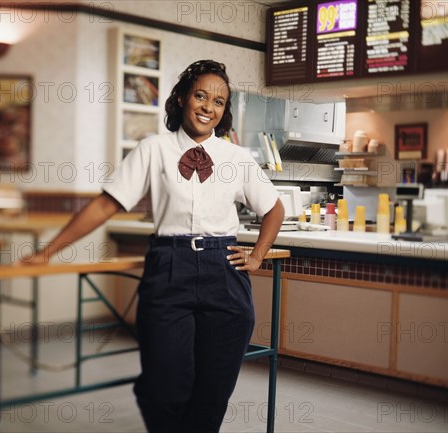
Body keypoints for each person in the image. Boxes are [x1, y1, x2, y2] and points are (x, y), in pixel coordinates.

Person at [23, 59, 284, 432]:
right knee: (164, 387)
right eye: (200, 96)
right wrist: (47, 252)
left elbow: (274, 208)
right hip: (169, 267)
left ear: (224, 111)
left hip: (224, 273)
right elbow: (104, 205)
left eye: (219, 102)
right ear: (181, 98)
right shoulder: (153, 149)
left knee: (213, 391)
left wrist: (258, 254)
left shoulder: (237, 158)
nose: (208, 107)